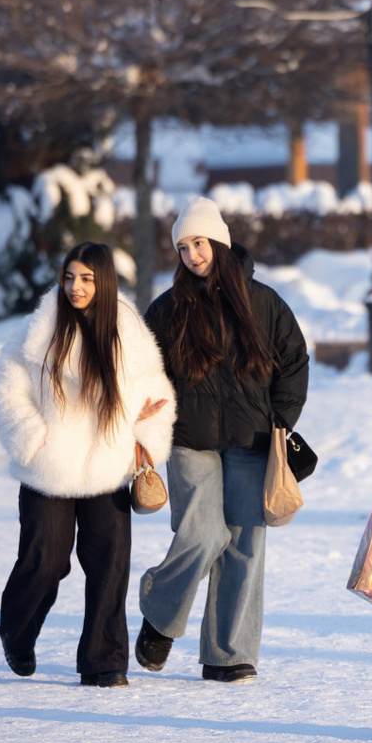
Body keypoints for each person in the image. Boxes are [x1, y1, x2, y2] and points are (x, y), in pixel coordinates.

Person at [136, 197, 309, 683]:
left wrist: (280, 421)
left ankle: (228, 655)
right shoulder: (168, 309)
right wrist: (150, 412)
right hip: (190, 440)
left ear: (220, 240)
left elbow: (294, 361)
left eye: (199, 242)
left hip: (252, 440)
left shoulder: (264, 302)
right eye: (184, 247)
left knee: (245, 544)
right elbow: (145, 370)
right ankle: (160, 611)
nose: (193, 254)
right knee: (204, 534)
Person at [0, 241, 176, 688]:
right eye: (70, 277)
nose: (75, 287)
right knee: (45, 561)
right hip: (47, 469)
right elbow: (7, 392)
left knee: (110, 563)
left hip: (105, 466)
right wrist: (33, 439)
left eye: (87, 279)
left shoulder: (128, 332)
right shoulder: (38, 329)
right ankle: (16, 631)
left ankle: (104, 661)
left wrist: (144, 424)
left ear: (104, 281)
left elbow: (157, 394)